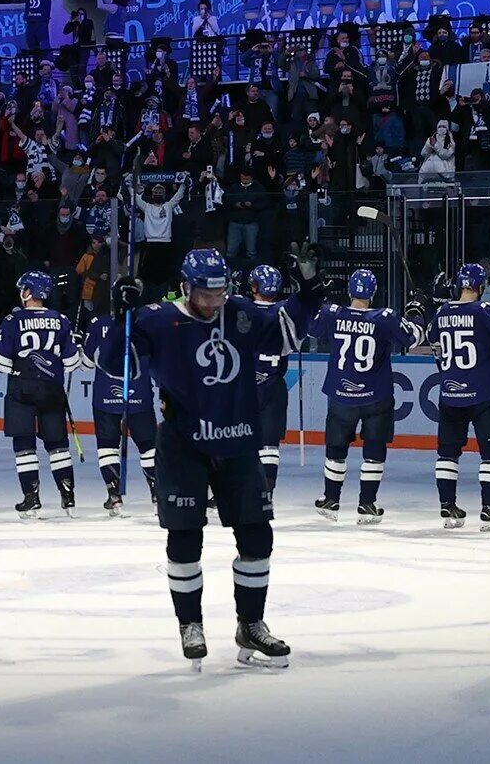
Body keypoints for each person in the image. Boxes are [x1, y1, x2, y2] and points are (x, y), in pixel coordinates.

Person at [130, 248, 290, 670]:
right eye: (204, 294)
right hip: (183, 445)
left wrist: (307, 288)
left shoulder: (240, 313)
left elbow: (288, 332)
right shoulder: (158, 319)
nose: (213, 302)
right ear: (185, 286)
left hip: (238, 443)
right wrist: (119, 316)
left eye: (220, 293)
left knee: (258, 539)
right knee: (185, 539)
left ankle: (250, 624)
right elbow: (116, 363)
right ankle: (190, 624)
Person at [307, 269, 422, 524]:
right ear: (373, 293)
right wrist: (416, 313)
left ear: (350, 290)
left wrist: (315, 296)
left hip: (340, 394)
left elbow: (312, 330)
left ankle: (330, 499)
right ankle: (367, 504)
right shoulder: (385, 318)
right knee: (374, 449)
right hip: (376, 396)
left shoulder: (331, 313)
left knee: (336, 448)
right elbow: (412, 339)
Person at [426, 263, 490, 529]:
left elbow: (431, 339)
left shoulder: (443, 311)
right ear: (482, 287)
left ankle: (447, 507)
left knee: (447, 453)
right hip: (484, 395)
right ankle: (489, 509)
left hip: (449, 395)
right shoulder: (488, 311)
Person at [0, 271, 82, 517]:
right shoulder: (61, 320)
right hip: (52, 389)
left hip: (22, 389)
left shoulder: (13, 321)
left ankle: (31, 497)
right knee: (58, 445)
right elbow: (73, 362)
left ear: (28, 292)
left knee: (24, 444)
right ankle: (68, 496)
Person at [244, 257, 322, 492]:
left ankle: (230, 490)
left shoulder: (240, 307)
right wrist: (307, 279)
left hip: (242, 385)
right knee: (269, 444)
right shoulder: (286, 311)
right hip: (274, 385)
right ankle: (266, 490)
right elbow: (313, 299)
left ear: (254, 286)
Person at [79, 276, 155, 514]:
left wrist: (80, 343)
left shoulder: (99, 323)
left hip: (105, 397)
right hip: (140, 394)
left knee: (107, 446)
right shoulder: (149, 323)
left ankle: (114, 495)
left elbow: (86, 362)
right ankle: (157, 493)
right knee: (149, 446)